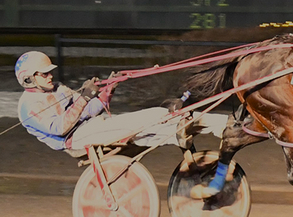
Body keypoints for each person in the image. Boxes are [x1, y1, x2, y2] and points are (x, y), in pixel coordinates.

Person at [14, 51, 226, 156]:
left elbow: (89, 110)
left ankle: (223, 125)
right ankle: (183, 131)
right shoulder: (28, 106)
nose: (50, 76)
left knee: (157, 115)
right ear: (29, 79)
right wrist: (84, 98)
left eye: (50, 72)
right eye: (44, 74)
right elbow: (60, 128)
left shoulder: (58, 88)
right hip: (74, 139)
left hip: (91, 126)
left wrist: (107, 91)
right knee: (152, 118)